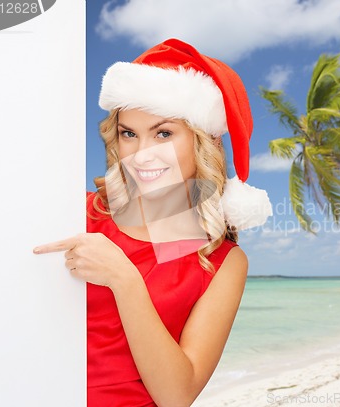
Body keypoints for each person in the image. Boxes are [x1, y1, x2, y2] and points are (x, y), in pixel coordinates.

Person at [33, 38, 272, 407]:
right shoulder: (75, 211)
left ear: (202, 141)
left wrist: (123, 279)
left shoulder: (221, 261)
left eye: (163, 133)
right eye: (129, 133)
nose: (143, 153)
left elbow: (177, 395)